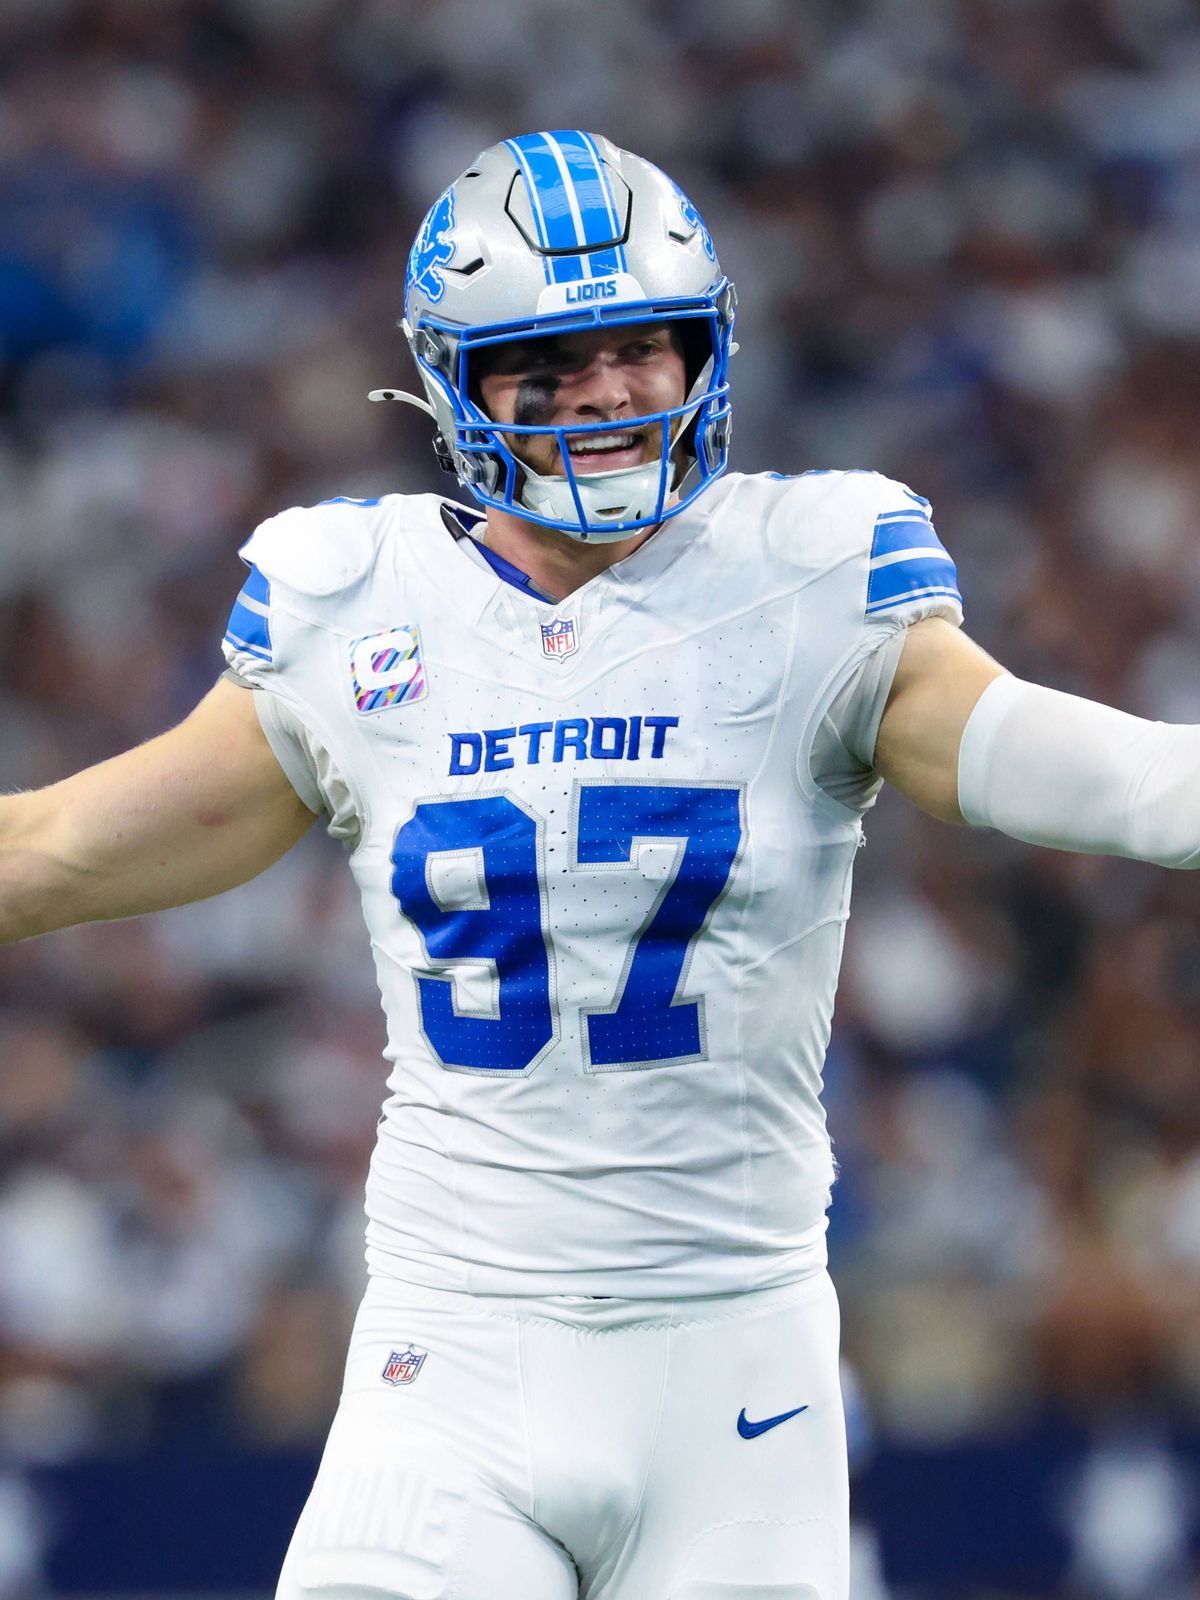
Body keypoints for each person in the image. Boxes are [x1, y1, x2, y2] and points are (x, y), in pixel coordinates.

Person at [2, 129, 1198, 1600]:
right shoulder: (363, 606)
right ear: (459, 384)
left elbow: (1066, 763)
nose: (605, 393)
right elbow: (55, 849)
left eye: (640, 345)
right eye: (547, 362)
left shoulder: (808, 579)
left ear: (705, 350)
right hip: (448, 1361)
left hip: (732, 1375)